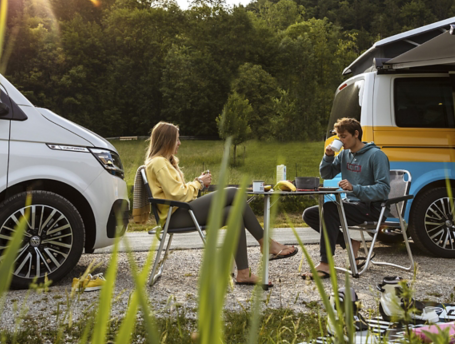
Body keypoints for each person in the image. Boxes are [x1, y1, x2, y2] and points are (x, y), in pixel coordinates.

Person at [144, 121, 297, 287]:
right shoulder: (159, 162)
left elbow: (176, 192)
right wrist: (198, 183)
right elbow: (178, 194)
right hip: (177, 216)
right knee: (233, 192)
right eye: (177, 139)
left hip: (181, 212)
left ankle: (243, 273)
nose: (179, 143)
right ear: (166, 140)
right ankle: (266, 243)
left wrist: (197, 183)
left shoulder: (162, 162)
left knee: (233, 213)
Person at [301, 117, 390, 279]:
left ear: (356, 134)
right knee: (310, 214)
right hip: (351, 204)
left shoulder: (376, 155)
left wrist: (354, 188)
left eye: (343, 136)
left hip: (372, 208)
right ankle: (349, 243)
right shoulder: (344, 155)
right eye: (338, 137)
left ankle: (326, 263)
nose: (340, 141)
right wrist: (328, 157)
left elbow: (383, 189)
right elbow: (327, 174)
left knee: (330, 208)